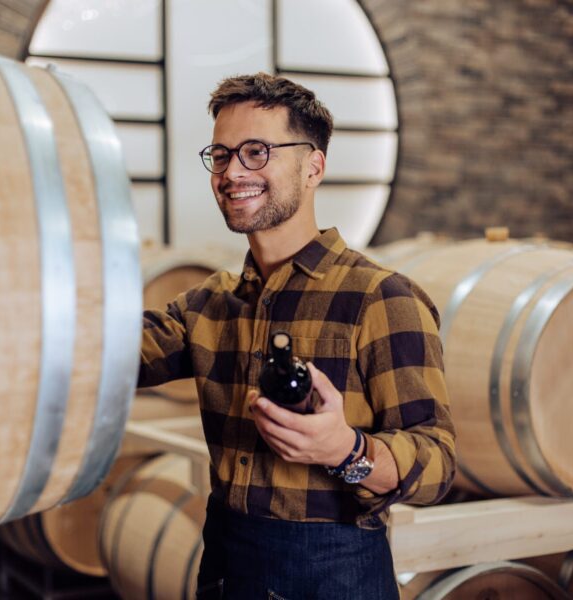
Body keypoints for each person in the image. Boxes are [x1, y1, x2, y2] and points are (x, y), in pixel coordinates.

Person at [138, 72, 456, 599]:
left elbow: (436, 462)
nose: (233, 171)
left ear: (313, 167)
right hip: (226, 564)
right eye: (220, 155)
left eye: (256, 152)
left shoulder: (381, 296)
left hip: (334, 573)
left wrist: (345, 449)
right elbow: (111, 356)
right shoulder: (210, 302)